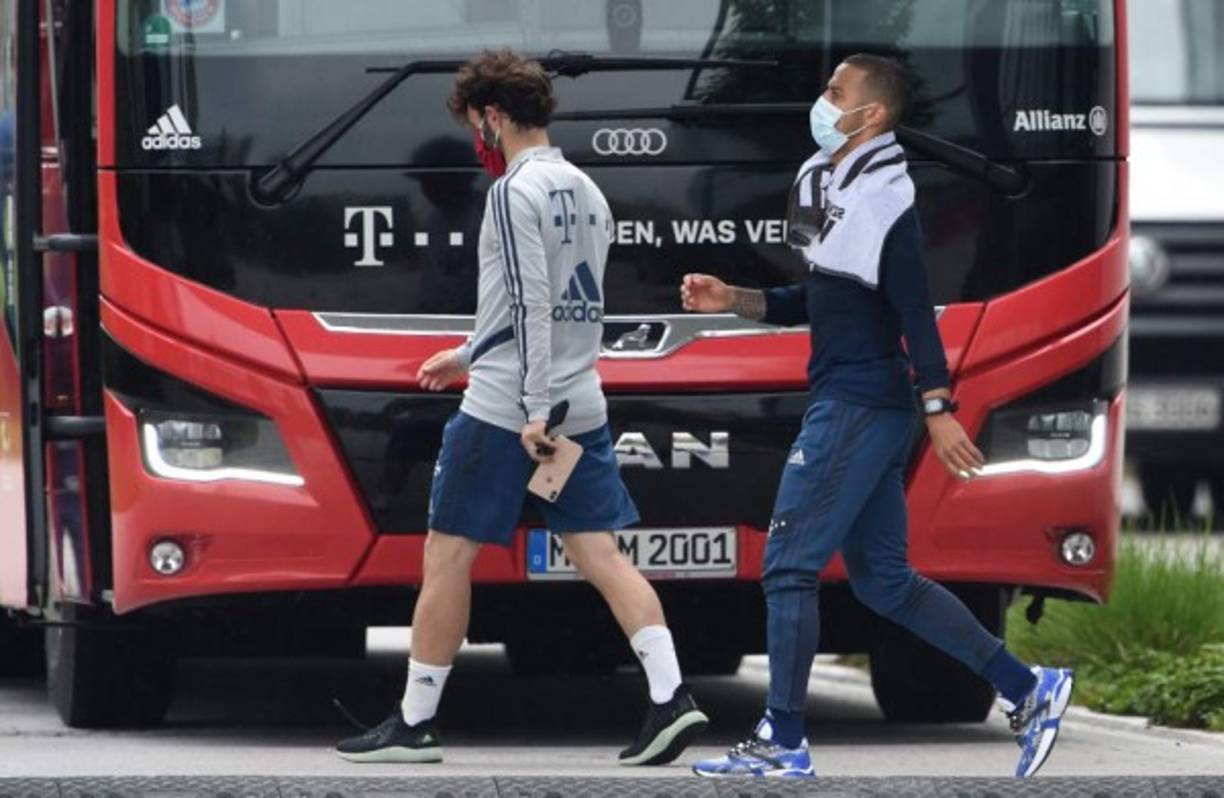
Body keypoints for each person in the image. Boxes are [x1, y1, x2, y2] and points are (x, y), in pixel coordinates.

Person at [684, 54, 1072, 780]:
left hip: (858, 406)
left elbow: (913, 312)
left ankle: (783, 739)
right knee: (885, 581)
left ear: (874, 115)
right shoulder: (841, 188)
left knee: (789, 567)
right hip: (861, 402)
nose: (823, 100)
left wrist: (939, 408)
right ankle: (1029, 689)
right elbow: (823, 301)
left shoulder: (886, 202)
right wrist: (735, 299)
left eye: (837, 92)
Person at [335, 48, 708, 766]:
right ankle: (672, 697)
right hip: (581, 401)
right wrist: (468, 352)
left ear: (493, 116)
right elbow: (570, 306)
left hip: (509, 409)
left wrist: (530, 406)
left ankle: (414, 722)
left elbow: (532, 301)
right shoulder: (587, 190)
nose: (478, 136)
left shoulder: (513, 192)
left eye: (476, 122)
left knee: (447, 554)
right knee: (601, 552)